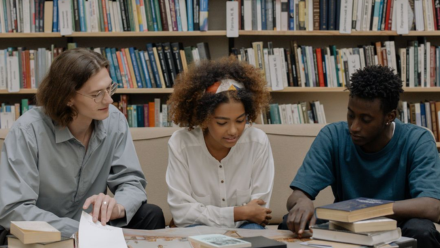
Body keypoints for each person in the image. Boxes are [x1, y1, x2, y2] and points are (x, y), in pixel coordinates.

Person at [0, 48, 165, 243]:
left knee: (151, 214)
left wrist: (118, 207)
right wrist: (80, 230)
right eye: (97, 94)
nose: (109, 100)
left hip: (93, 225)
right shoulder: (27, 131)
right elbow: (14, 209)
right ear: (68, 97)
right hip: (43, 231)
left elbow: (132, 181)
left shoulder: (115, 121)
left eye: (109, 88)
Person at [278, 65, 440, 247]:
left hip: (398, 223)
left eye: (365, 119)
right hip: (345, 224)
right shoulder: (333, 136)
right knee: (289, 221)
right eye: (350, 115)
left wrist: (365, 210)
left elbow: (431, 206)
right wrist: (302, 202)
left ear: (390, 116)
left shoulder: (417, 140)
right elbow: (297, 195)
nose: (354, 127)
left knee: (422, 230)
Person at [166, 57, 274, 229]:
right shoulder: (181, 144)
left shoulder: (257, 142)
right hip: (199, 228)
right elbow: (182, 213)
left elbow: (258, 211)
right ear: (204, 118)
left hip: (246, 226)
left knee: (255, 234)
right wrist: (238, 213)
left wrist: (244, 214)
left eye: (240, 120)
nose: (233, 131)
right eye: (222, 123)